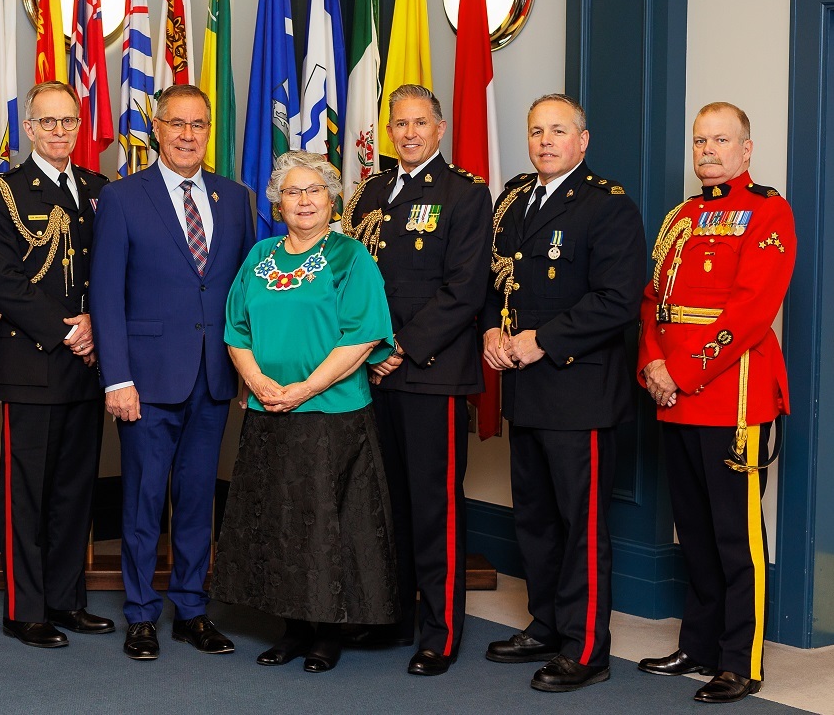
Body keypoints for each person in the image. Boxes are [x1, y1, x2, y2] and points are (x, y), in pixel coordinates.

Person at [480, 94, 645, 692]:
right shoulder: (517, 199)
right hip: (525, 390)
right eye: (535, 132)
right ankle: (547, 623)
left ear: (583, 140)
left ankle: (587, 648)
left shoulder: (607, 207)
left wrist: (539, 341)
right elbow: (497, 279)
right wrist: (493, 331)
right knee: (536, 519)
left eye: (558, 131)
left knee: (581, 524)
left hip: (579, 391)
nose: (545, 141)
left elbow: (617, 301)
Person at [213, 151, 398, 674]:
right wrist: (258, 382)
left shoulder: (351, 257)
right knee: (278, 522)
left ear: (332, 199)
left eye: (314, 190)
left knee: (328, 524)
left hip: (332, 413)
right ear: (277, 201)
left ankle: (328, 632)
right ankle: (291, 628)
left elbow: (361, 337)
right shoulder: (260, 256)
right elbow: (236, 330)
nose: (303, 201)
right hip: (268, 410)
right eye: (292, 192)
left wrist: (301, 389)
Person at [635, 102, 795, 704]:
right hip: (672, 397)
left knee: (736, 537)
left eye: (720, 140)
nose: (707, 150)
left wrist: (679, 370)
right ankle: (698, 645)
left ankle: (740, 659)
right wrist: (653, 364)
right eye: (700, 141)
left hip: (732, 399)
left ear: (746, 150)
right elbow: (654, 300)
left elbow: (751, 311)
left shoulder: (768, 212)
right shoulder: (680, 217)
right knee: (694, 533)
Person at [90, 83, 255, 661]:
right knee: (141, 501)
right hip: (145, 380)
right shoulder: (122, 198)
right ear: (156, 129)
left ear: (210, 132)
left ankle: (191, 607)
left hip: (212, 379)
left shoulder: (236, 198)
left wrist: (246, 371)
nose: (188, 135)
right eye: (177, 124)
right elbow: (106, 297)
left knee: (195, 501)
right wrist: (117, 378)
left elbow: (244, 293)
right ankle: (140, 614)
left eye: (199, 125)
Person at [341, 85, 492, 675]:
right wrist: (367, 351)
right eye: (398, 124)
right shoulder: (370, 193)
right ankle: (391, 616)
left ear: (441, 128)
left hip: (432, 375)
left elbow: (464, 290)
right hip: (372, 376)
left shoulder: (465, 195)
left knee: (436, 509)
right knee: (386, 505)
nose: (407, 134)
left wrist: (399, 348)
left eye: (418, 123)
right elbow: (351, 280)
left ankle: (441, 631)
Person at [0, 82, 113, 648]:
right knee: (27, 493)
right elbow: (1, 280)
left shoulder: (99, 188)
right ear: (28, 129)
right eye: (47, 122)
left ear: (80, 128)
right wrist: (69, 330)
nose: (59, 132)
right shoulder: (0, 192)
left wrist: (96, 328)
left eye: (69, 122)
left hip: (88, 366)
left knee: (74, 490)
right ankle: (25, 607)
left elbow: (112, 273)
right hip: (33, 364)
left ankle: (65, 599)